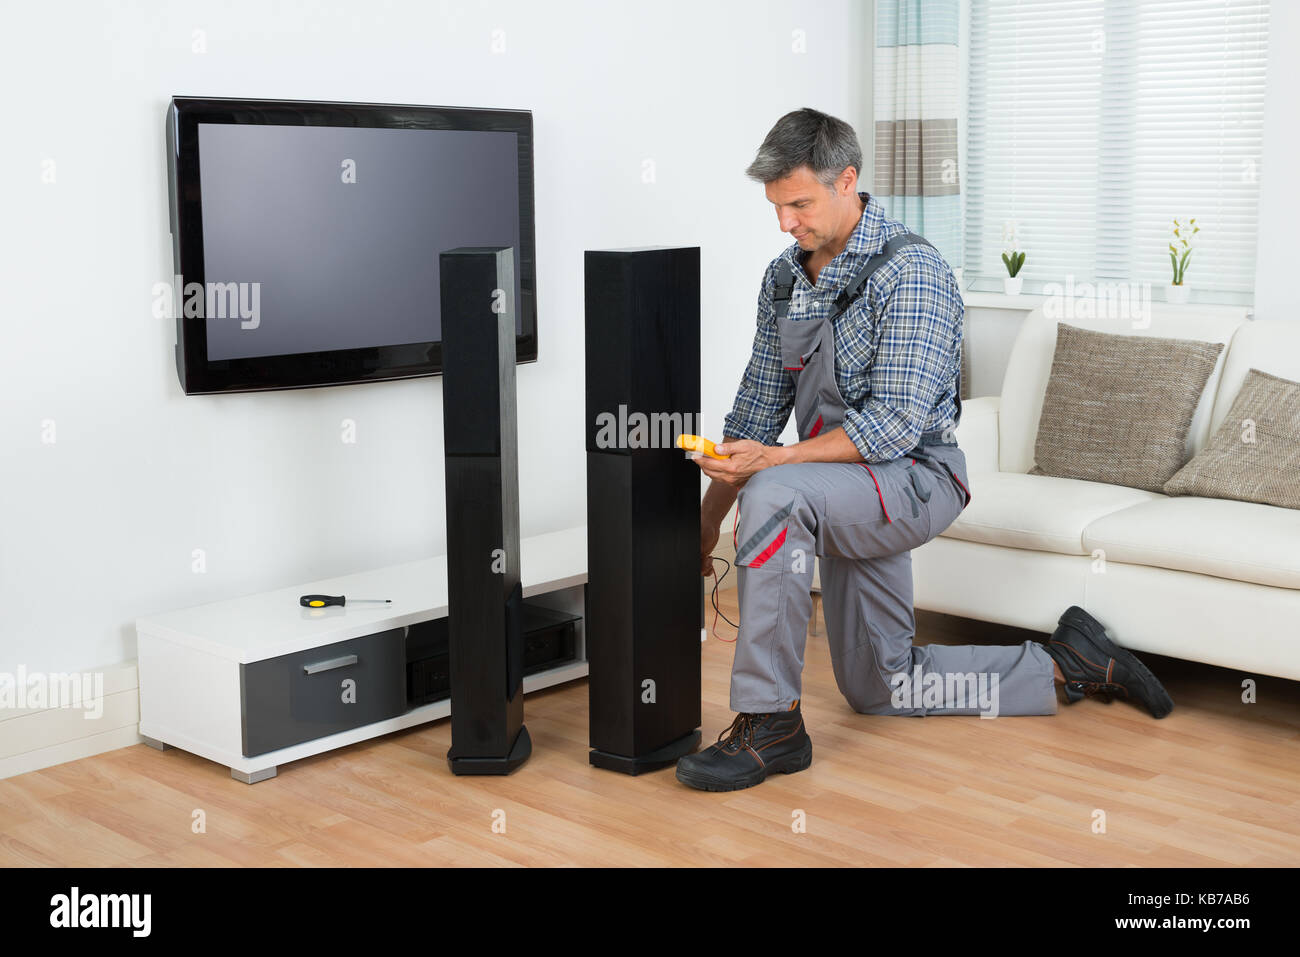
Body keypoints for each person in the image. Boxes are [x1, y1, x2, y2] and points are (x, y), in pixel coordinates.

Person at [674, 108, 1173, 793]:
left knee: (774, 495)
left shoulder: (912, 273)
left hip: (912, 479)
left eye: (798, 204)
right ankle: (1071, 661)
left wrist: (774, 465)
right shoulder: (784, 281)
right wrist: (706, 519)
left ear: (847, 180)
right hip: (835, 485)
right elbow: (754, 418)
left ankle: (772, 721)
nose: (785, 223)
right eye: (775, 206)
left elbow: (893, 429)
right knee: (884, 686)